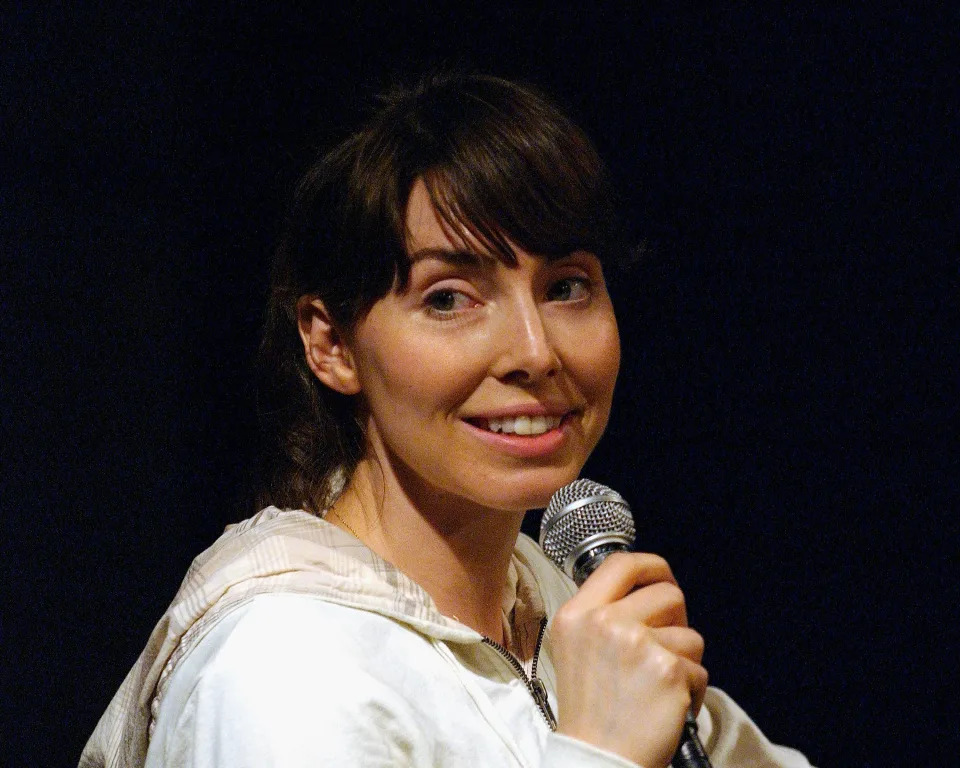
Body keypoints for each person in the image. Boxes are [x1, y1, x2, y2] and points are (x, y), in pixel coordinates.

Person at [80, 72, 813, 768]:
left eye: (566, 287)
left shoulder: (566, 616)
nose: (535, 351)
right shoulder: (279, 666)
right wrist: (601, 751)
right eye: (449, 298)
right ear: (331, 344)